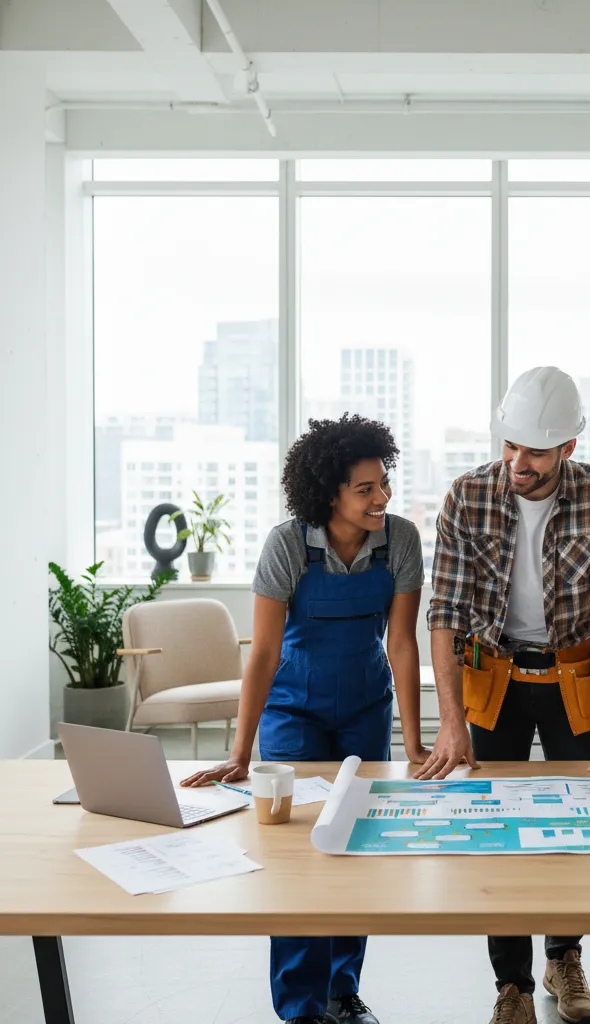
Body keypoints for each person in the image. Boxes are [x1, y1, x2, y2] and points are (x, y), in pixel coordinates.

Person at [416, 366, 590, 1024]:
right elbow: (445, 613)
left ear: (568, 448)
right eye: (510, 445)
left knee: (575, 825)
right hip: (494, 673)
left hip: (574, 674)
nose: (518, 461)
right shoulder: (467, 496)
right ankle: (510, 985)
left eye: (535, 451)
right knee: (494, 827)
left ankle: (564, 959)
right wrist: (451, 721)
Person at [182, 415, 428, 1024]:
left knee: (355, 845)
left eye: (384, 484)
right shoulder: (288, 545)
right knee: (295, 854)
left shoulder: (400, 541)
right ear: (329, 495)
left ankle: (344, 991)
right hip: (295, 713)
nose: (382, 498)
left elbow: (401, 644)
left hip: (367, 712)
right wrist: (240, 753)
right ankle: (301, 1006)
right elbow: (263, 653)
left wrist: (414, 743)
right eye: (365, 489)